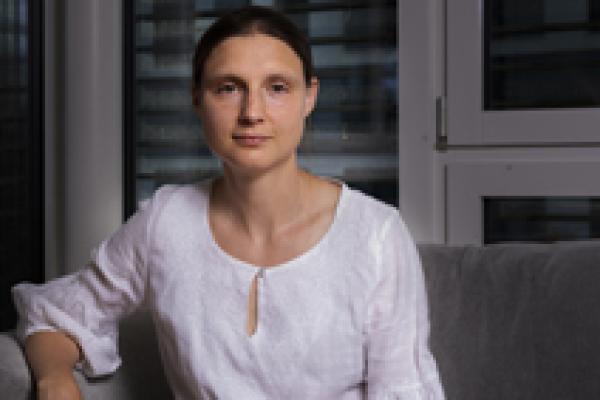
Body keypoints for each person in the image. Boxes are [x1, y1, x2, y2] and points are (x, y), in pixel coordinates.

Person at [13, 6, 445, 400]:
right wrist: (55, 378)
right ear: (197, 98)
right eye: (228, 88)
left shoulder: (375, 235)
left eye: (277, 88)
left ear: (309, 97)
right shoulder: (166, 222)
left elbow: (404, 392)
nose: (252, 112)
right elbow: (55, 314)